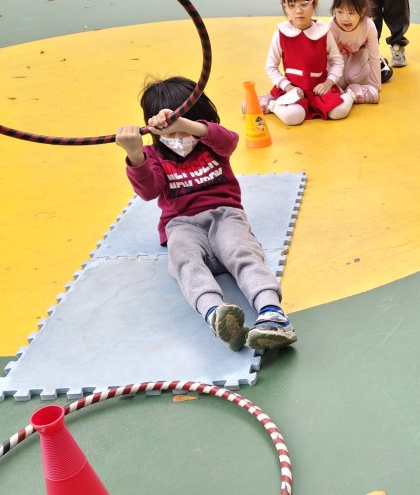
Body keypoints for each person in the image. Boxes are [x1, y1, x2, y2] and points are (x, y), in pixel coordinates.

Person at [114, 77, 297, 353]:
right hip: (181, 224)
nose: (178, 137)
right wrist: (135, 154)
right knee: (183, 260)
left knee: (241, 252)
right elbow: (149, 191)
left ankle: (273, 314)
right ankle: (216, 315)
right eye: (170, 131)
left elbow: (230, 140)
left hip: (225, 215)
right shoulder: (153, 155)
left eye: (183, 127)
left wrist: (184, 124)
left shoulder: (212, 144)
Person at [264, 0, 353, 126]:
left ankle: (352, 93)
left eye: (304, 4)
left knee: (338, 112)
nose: (298, 11)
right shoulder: (280, 34)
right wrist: (288, 87)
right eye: (292, 5)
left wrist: (328, 83)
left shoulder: (324, 32)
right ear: (284, 6)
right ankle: (271, 104)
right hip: (294, 91)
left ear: (314, 3)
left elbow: (337, 62)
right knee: (293, 117)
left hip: (320, 90)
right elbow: (271, 67)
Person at [328, 0, 381, 104]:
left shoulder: (368, 26)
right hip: (340, 54)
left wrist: (375, 86)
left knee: (352, 77)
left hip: (361, 51)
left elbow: (374, 56)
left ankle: (380, 66)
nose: (345, 18)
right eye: (339, 12)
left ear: (362, 11)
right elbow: (325, 57)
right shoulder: (330, 27)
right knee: (340, 81)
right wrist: (328, 83)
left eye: (351, 13)